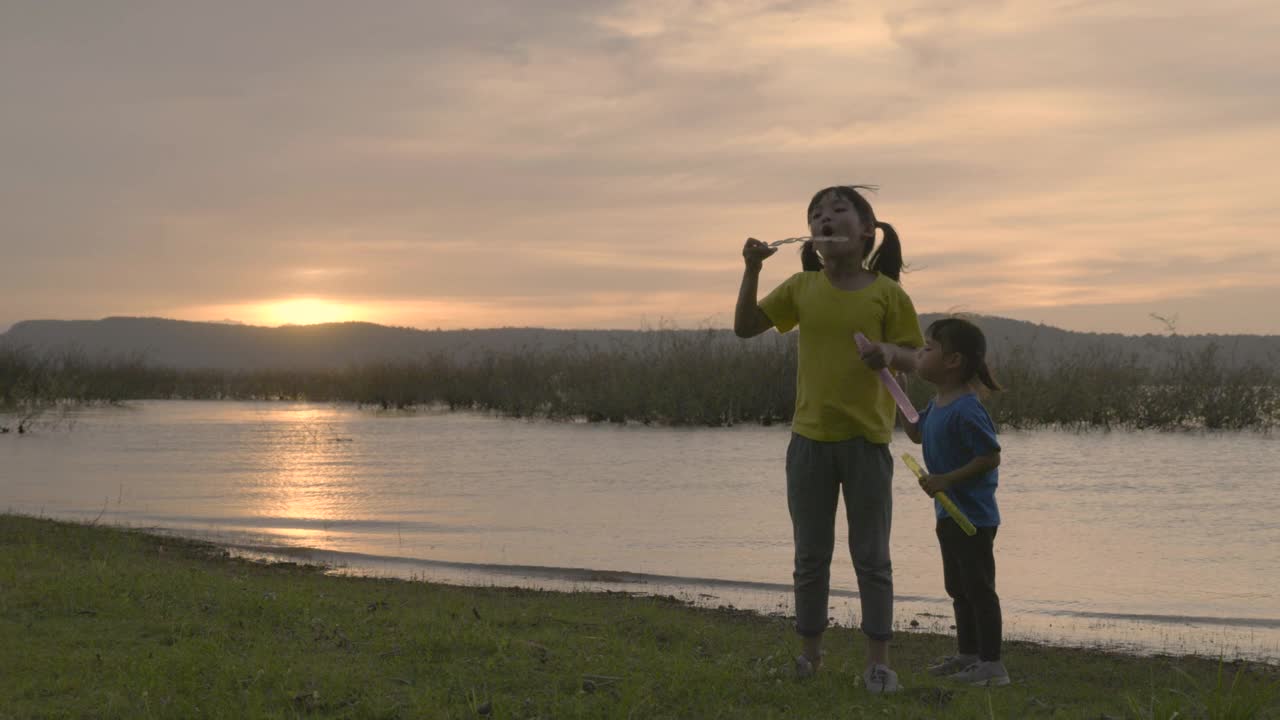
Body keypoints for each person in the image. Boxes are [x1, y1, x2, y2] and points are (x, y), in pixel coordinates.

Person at [735, 185, 924, 694]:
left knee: (872, 557)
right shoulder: (801, 287)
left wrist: (887, 350)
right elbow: (745, 328)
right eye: (816, 214)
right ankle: (809, 656)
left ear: (867, 230)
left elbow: (917, 357)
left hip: (866, 443)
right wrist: (752, 268)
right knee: (810, 555)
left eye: (838, 211)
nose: (825, 219)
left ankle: (878, 664)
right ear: (813, 237)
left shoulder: (888, 293)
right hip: (809, 442)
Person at [901, 316, 1009, 687]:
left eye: (928, 348)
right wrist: (895, 389)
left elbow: (989, 456)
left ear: (953, 361)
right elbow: (917, 433)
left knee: (979, 588)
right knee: (958, 587)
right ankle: (968, 655)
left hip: (973, 517)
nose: (920, 353)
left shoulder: (967, 407)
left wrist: (946, 479)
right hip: (947, 513)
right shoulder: (938, 402)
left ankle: (993, 665)